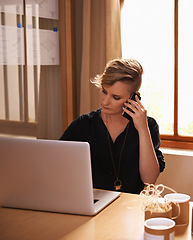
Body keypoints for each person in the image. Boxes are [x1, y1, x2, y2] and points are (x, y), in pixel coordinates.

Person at [60, 58, 165, 194]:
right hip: (91, 203)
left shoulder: (149, 126)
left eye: (115, 97)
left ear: (134, 98)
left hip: (130, 206)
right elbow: (58, 166)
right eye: (104, 91)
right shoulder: (83, 125)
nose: (105, 101)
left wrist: (142, 129)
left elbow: (149, 180)